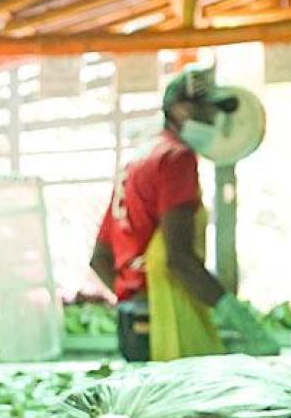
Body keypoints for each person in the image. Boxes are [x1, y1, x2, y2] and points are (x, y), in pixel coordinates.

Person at [90, 65, 278, 361]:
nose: (216, 121)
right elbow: (178, 259)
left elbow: (100, 258)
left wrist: (133, 298)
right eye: (207, 111)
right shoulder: (177, 158)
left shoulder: (138, 159)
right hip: (165, 321)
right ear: (179, 111)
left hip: (133, 321)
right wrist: (238, 319)